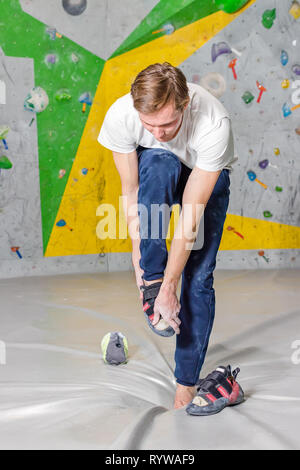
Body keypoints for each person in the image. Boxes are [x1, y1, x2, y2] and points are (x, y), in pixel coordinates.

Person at [98, 62, 244, 415]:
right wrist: (144, 269)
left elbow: (190, 218)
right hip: (158, 174)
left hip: (205, 176)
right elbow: (132, 193)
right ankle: (152, 281)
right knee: (158, 162)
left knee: (198, 277)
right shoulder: (121, 116)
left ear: (185, 106)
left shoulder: (213, 124)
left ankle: (186, 384)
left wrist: (171, 285)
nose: (159, 133)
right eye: (150, 126)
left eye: (167, 124)